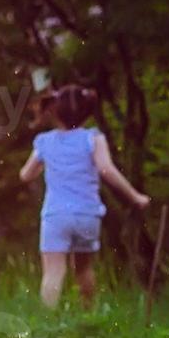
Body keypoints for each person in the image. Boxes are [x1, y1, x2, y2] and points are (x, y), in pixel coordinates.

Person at [18, 84, 149, 309]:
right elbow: (106, 170)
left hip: (56, 215)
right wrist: (134, 196)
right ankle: (88, 316)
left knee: (53, 272)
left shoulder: (45, 141)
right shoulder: (93, 138)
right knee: (84, 269)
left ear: (56, 111)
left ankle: (46, 323)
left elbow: (25, 175)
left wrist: (46, 165)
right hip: (87, 213)